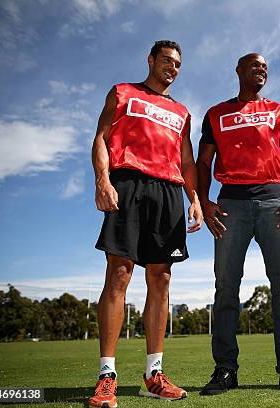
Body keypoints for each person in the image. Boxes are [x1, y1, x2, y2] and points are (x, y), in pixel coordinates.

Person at [89, 40, 202, 408]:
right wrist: (102, 181)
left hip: (168, 191)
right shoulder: (122, 92)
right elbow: (101, 138)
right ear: (151, 60)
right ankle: (107, 376)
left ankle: (154, 375)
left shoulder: (182, 112)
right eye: (167, 61)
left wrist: (195, 199)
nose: (172, 68)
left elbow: (186, 161)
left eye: (178, 64)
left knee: (161, 277)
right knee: (119, 273)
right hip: (129, 184)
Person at [196, 52, 280, 395]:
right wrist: (205, 202)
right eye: (254, 65)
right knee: (226, 286)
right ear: (238, 71)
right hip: (231, 204)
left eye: (265, 66)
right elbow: (203, 163)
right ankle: (225, 369)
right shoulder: (216, 114)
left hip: (275, 204)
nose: (261, 69)